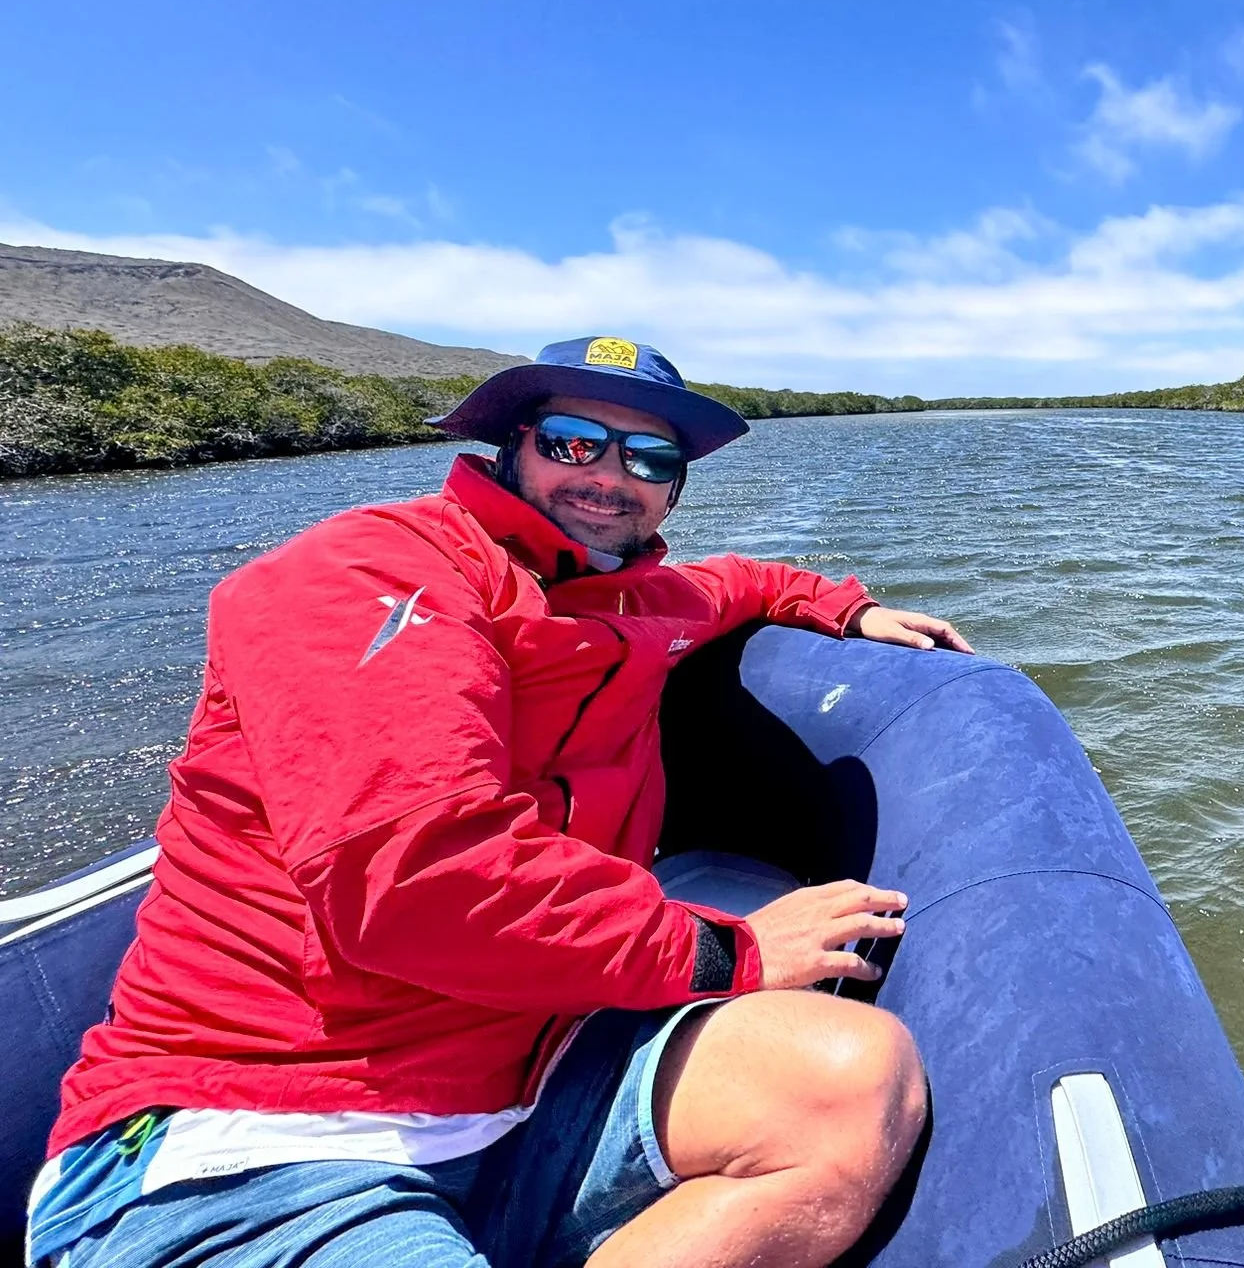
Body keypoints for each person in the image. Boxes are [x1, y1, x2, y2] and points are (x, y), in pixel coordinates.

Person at [28, 335, 973, 1268]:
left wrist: (842, 606)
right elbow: (423, 886)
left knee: (850, 1081)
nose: (610, 475)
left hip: (531, 1073)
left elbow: (736, 583)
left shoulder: (641, 596)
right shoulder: (372, 570)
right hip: (270, 1128)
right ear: (512, 445)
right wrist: (736, 951)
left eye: (650, 458)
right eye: (574, 441)